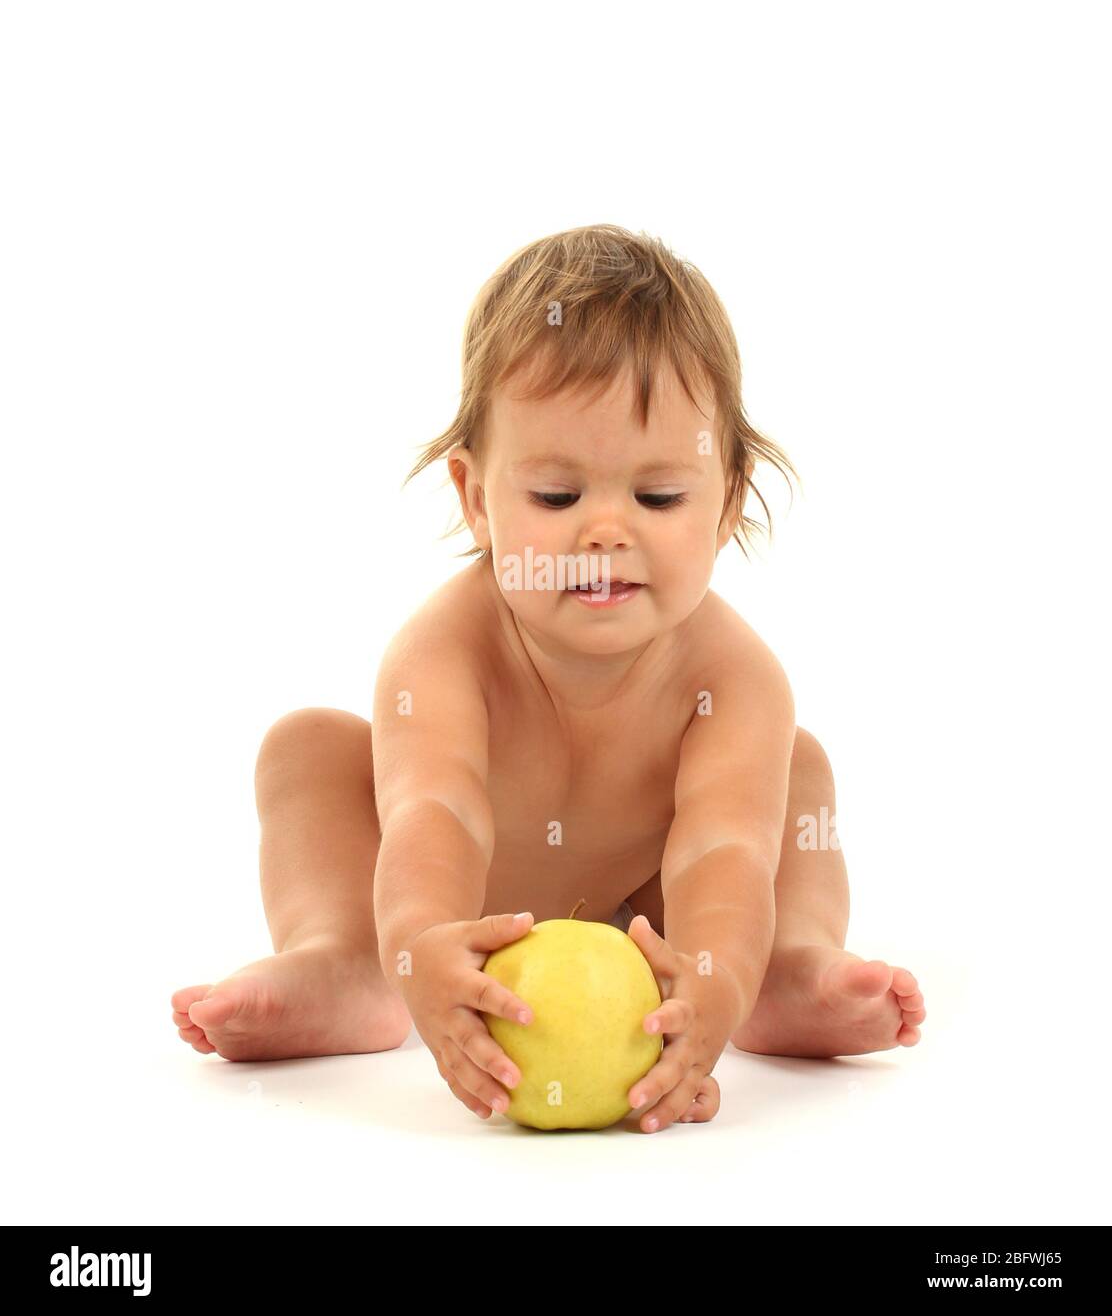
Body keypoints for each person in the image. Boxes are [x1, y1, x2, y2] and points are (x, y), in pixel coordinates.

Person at [170, 224, 926, 1132]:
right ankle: (348, 963)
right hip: (459, 909)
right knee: (306, 749)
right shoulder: (445, 651)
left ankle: (777, 971)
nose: (606, 531)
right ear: (474, 497)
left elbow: (721, 850)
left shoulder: (736, 678)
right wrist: (418, 944)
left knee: (793, 770)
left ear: (728, 500)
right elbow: (434, 812)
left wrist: (710, 987)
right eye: (558, 497)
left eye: (658, 497)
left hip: (649, 917)